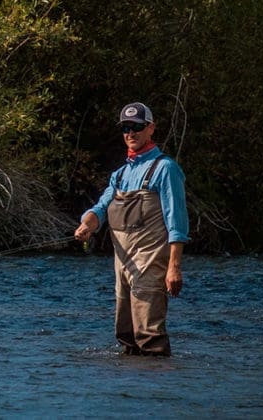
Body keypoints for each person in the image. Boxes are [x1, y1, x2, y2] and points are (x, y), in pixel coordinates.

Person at [74, 102, 189, 356]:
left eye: (136, 127)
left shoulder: (166, 169)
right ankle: (128, 387)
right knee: (125, 335)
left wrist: (174, 267)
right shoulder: (121, 174)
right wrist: (87, 225)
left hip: (151, 262)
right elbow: (102, 207)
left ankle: (158, 388)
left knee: (149, 335)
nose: (130, 133)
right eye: (126, 128)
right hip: (123, 265)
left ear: (151, 128)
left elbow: (177, 222)